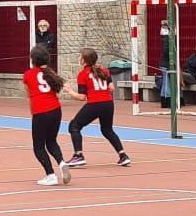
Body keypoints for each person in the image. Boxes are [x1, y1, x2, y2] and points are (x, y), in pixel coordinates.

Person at [64, 48, 130, 168]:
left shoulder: (83, 74)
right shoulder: (104, 70)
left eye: (80, 56)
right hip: (108, 104)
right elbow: (111, 88)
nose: (79, 58)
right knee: (107, 130)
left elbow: (82, 97)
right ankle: (123, 156)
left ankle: (78, 155)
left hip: (95, 104)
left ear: (83, 60)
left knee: (74, 126)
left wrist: (69, 91)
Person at [26, 44, 71, 186]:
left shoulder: (28, 74)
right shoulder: (51, 73)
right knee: (51, 141)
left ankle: (51, 174)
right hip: (56, 110)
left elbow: (30, 96)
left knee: (38, 147)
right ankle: (62, 162)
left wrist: (33, 113)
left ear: (32, 59)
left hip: (40, 112)